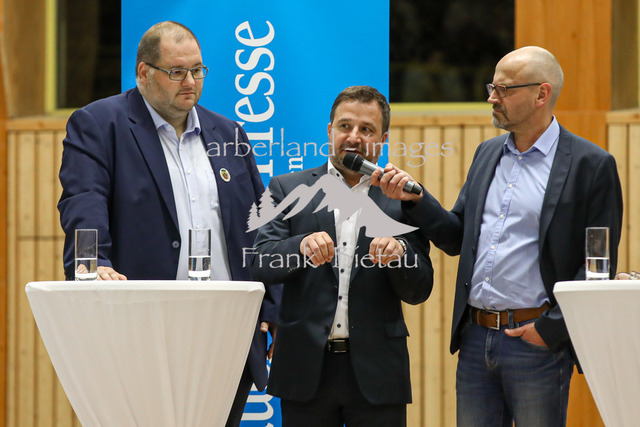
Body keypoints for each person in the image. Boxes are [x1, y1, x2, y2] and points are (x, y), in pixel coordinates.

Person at [375, 46, 623, 426]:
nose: (492, 98)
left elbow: (598, 267)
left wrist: (549, 330)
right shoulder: (487, 154)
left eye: (504, 90)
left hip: (537, 343)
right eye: (492, 87)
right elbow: (456, 238)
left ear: (541, 94)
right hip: (475, 339)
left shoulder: (591, 165)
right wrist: (417, 199)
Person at [57, 21, 281, 427]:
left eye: (197, 70)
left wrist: (274, 307)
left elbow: (260, 228)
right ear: (144, 72)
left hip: (227, 328)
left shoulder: (228, 132)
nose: (190, 82)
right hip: (145, 329)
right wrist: (94, 264)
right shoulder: (100, 125)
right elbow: (83, 202)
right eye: (177, 71)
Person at [249, 85, 434, 426]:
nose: (354, 137)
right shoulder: (287, 188)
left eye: (367, 130)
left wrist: (401, 255)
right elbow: (260, 261)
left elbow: (420, 289)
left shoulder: (401, 197)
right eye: (345, 126)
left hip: (379, 372)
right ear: (329, 130)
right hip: (305, 370)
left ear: (383, 139)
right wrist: (300, 246)